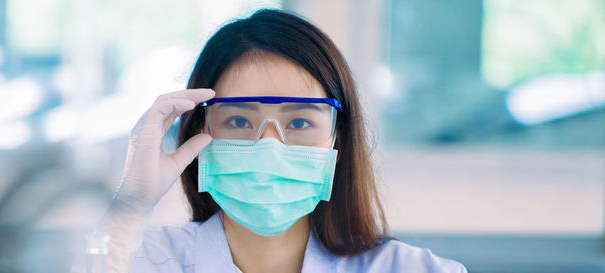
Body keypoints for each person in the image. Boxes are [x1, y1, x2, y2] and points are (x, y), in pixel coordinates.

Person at [96, 9, 467, 273]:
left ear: (337, 142)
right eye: (239, 121)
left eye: (300, 122)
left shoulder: (413, 270)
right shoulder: (140, 261)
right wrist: (131, 201)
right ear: (198, 136)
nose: (269, 147)